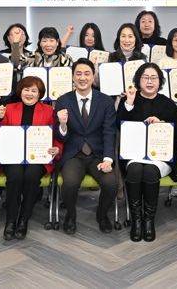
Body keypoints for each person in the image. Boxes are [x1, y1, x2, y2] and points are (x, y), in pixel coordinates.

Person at [117, 63, 177, 242]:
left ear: (160, 81)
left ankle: (148, 221)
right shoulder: (129, 100)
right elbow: (119, 125)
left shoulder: (167, 103)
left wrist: (163, 124)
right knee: (134, 170)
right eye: (145, 78)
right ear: (138, 80)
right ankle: (136, 220)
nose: (149, 81)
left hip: (161, 157)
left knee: (149, 171)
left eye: (153, 78)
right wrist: (129, 103)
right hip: (134, 155)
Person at [54, 58, 118, 234]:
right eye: (78, 74)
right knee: (69, 183)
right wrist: (63, 124)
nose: (82, 78)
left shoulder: (105, 101)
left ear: (93, 76)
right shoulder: (63, 101)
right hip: (74, 155)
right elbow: (60, 137)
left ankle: (102, 215)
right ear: (73, 77)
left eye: (87, 73)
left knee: (111, 184)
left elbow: (109, 132)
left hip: (98, 155)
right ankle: (71, 215)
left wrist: (108, 159)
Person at [0, 76, 62, 241]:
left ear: (40, 94)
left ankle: (24, 219)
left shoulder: (49, 111)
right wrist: (0, 119)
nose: (30, 94)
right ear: (20, 91)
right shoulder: (9, 109)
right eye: (26, 90)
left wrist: (57, 149)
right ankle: (11, 220)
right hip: (13, 156)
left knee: (32, 176)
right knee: (15, 176)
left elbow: (56, 136)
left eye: (34, 91)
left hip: (37, 157)